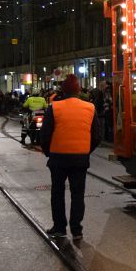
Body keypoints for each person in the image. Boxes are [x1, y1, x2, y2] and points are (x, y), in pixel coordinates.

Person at [41, 75, 100, 240]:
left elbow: (45, 134)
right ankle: (77, 229)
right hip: (80, 159)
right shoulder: (90, 108)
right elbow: (97, 136)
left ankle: (60, 227)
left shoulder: (54, 107)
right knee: (78, 194)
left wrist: (48, 152)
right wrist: (85, 150)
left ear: (63, 91)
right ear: (78, 90)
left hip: (58, 158)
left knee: (57, 193)